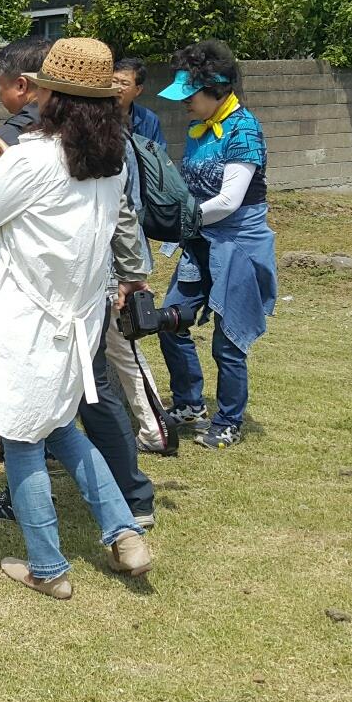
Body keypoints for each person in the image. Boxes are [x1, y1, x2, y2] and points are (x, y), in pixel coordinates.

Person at [0, 37, 152, 599]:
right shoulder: (109, 161)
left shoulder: (35, 158)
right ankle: (124, 532)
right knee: (59, 425)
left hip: (25, 321)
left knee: (20, 435)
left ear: (50, 93)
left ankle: (48, 567)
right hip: (75, 319)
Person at [154, 40, 278, 449]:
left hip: (238, 244)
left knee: (228, 340)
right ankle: (190, 403)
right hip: (199, 242)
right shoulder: (198, 129)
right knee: (170, 320)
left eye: (190, 95)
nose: (184, 103)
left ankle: (228, 420)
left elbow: (229, 201)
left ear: (217, 91)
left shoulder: (243, 129)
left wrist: (177, 220)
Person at [109, 56, 173, 454]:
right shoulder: (105, 131)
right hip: (112, 260)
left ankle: (155, 429)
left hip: (114, 261)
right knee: (116, 347)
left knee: (123, 345)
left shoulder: (115, 137)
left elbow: (126, 207)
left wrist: (129, 273)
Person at [113, 57, 167, 147]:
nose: (117, 88)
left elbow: (158, 155)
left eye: (124, 83)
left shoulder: (149, 120)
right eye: (114, 81)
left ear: (138, 90)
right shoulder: (97, 113)